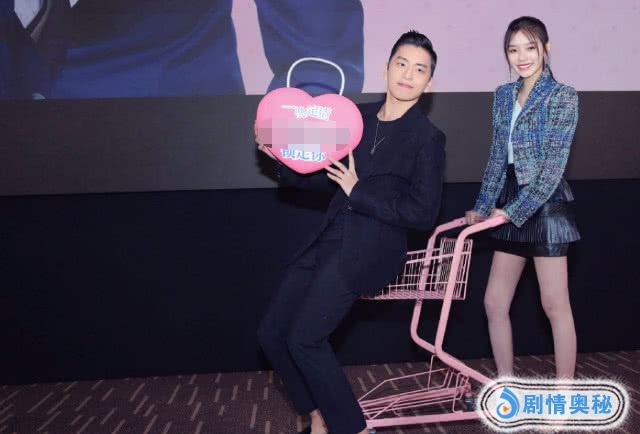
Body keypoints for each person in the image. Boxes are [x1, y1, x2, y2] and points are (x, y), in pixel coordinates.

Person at [256, 30, 445, 434]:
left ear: (429, 84)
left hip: (370, 249)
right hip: (328, 239)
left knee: (305, 339)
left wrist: (358, 191)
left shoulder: (427, 139)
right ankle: (319, 416)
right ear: (386, 68)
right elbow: (322, 177)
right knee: (272, 334)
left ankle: (354, 428)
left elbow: (422, 213)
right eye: (402, 64)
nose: (408, 75)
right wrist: (279, 158)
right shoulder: (354, 118)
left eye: (419, 70)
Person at [466, 16, 580, 379]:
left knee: (555, 305)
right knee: (494, 302)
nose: (522, 57)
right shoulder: (503, 95)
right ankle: (506, 383)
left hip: (545, 203)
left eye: (530, 47)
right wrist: (483, 206)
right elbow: (497, 157)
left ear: (546, 49)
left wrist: (510, 212)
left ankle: (564, 395)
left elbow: (552, 168)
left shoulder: (562, 95)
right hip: (510, 197)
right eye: (513, 50)